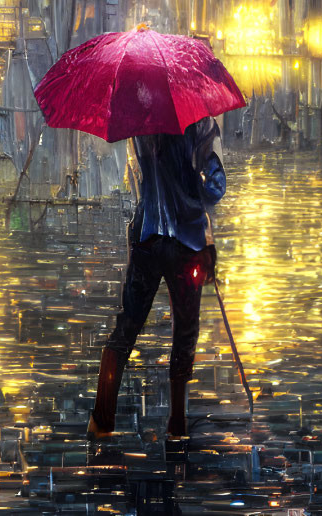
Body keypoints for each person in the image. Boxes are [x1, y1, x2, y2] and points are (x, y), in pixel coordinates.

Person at [88, 115, 226, 440]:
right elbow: (216, 187)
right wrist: (194, 186)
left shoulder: (140, 123)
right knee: (186, 332)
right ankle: (176, 426)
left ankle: (101, 419)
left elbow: (138, 179)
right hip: (186, 245)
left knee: (127, 325)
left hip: (148, 238)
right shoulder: (199, 124)